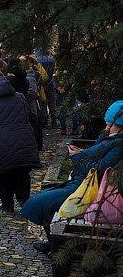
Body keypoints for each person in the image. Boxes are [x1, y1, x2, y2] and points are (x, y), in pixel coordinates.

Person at [21, 101, 123, 253]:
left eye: (110, 125)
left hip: (88, 189)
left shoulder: (119, 145)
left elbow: (100, 171)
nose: (107, 128)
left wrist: (78, 157)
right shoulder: (111, 138)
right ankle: (52, 243)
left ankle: (55, 247)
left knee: (42, 202)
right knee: (43, 197)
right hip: (81, 183)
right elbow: (95, 158)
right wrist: (81, 153)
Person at [0, 69, 41, 213]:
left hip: (0, 143)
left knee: (3, 173)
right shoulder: (20, 97)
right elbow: (27, 116)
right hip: (24, 140)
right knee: (22, 171)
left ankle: (7, 204)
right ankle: (24, 200)